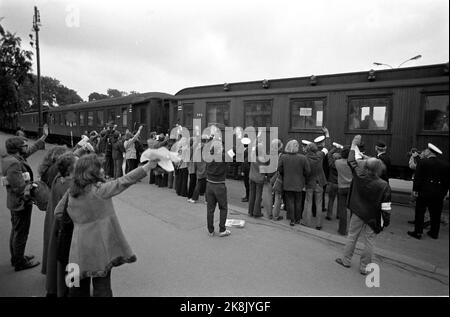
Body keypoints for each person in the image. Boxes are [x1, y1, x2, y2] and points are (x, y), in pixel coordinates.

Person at [56, 152, 160, 297]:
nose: (103, 171)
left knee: (77, 286)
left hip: (77, 246)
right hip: (99, 247)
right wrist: (148, 166)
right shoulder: (99, 191)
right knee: (102, 286)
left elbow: (58, 212)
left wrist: (79, 222)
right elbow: (124, 181)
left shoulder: (71, 191)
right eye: (100, 168)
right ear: (91, 172)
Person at [335, 135, 391, 275]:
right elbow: (386, 207)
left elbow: (351, 161)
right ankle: (364, 267)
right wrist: (385, 221)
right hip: (373, 216)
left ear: (366, 166)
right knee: (370, 241)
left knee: (352, 236)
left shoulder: (359, 176)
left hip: (358, 212)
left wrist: (354, 144)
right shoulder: (384, 185)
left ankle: (346, 260)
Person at [1, 128, 47, 271]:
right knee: (21, 232)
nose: (26, 148)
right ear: (17, 149)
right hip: (20, 203)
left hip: (14, 202)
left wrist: (44, 137)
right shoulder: (14, 163)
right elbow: (19, 188)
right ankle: (19, 262)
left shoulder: (12, 158)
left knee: (16, 230)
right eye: (24, 146)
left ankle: (17, 257)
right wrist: (33, 186)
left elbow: (31, 149)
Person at [45, 152, 78, 297]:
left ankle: (59, 288)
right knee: (72, 262)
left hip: (58, 228)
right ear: (71, 169)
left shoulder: (59, 180)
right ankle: (71, 290)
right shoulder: (72, 186)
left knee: (60, 262)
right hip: (70, 230)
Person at [407, 143, 449, 240]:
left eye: (425, 150)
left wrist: (415, 190)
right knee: (436, 213)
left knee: (420, 212)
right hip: (439, 193)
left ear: (429, 151)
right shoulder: (445, 164)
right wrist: (444, 193)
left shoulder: (423, 162)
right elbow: (447, 182)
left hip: (424, 191)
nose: (424, 151)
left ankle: (418, 232)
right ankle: (434, 233)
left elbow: (418, 178)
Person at [38, 145, 69, 275]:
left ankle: (54, 277)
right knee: (68, 253)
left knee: (53, 245)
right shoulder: (64, 183)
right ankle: (70, 284)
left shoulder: (52, 174)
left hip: (53, 213)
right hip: (64, 220)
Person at [278, 140, 310, 226]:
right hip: (299, 183)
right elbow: (308, 171)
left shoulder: (283, 157)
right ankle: (298, 219)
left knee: (290, 201)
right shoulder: (303, 157)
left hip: (287, 182)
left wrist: (285, 174)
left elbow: (280, 169)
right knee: (298, 202)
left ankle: (292, 220)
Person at [205, 138, 233, 237]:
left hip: (209, 184)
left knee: (210, 209)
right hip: (219, 185)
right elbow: (232, 154)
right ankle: (222, 230)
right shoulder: (223, 156)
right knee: (223, 208)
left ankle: (210, 230)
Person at [303, 143, 327, 230]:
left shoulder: (305, 158)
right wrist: (327, 135)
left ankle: (307, 223)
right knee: (319, 204)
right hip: (320, 182)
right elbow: (326, 147)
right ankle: (318, 224)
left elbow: (305, 172)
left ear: (308, 149)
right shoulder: (320, 155)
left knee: (308, 203)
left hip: (310, 183)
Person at [335, 146, 353, 235]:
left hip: (341, 187)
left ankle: (342, 230)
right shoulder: (353, 163)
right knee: (353, 209)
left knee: (342, 210)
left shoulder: (337, 162)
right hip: (352, 188)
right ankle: (353, 230)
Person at [247, 143, 268, 218]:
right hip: (259, 178)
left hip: (252, 177)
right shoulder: (263, 159)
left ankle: (250, 211)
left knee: (252, 194)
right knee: (258, 195)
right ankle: (256, 212)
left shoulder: (252, 156)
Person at [240, 136, 251, 202]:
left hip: (246, 170)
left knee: (247, 184)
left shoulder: (247, 151)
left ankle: (248, 197)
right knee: (247, 184)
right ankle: (247, 196)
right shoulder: (246, 150)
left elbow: (245, 162)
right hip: (247, 169)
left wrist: (243, 170)